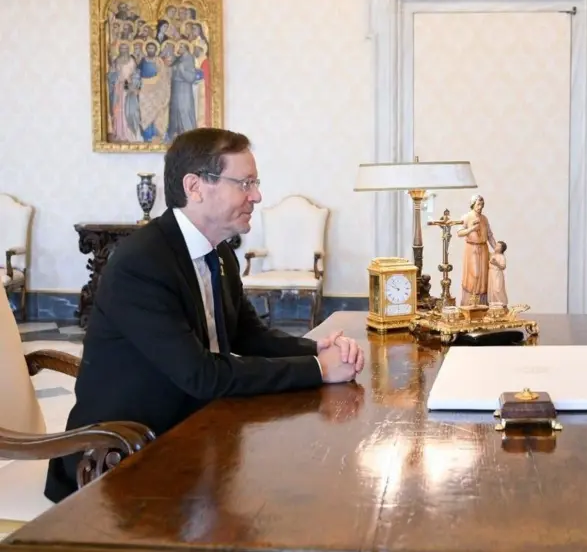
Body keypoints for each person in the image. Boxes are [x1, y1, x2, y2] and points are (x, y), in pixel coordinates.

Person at [44, 127, 364, 503]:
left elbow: (249, 335)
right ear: (195, 186)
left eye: (255, 182)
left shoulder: (220, 253)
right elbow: (202, 375)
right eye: (245, 183)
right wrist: (320, 371)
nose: (257, 196)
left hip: (196, 431)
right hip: (122, 457)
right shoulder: (141, 263)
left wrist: (316, 349)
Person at [456, 194, 497, 305]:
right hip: (472, 248)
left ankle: (482, 304)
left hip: (483, 248)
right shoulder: (466, 217)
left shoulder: (484, 219)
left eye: (482, 205)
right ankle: (470, 302)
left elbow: (489, 235)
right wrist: (471, 229)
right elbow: (459, 232)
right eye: (478, 204)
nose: (480, 207)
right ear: (473, 204)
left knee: (484, 276)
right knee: (475, 274)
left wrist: (496, 248)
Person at [488, 240, 508, 305]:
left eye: (498, 246)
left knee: (497, 288)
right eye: (496, 245)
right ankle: (493, 304)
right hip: (491, 273)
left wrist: (496, 263)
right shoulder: (492, 254)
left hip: (497, 274)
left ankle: (501, 303)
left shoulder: (502, 257)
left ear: (502, 249)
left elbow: (503, 267)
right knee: (492, 289)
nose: (496, 246)